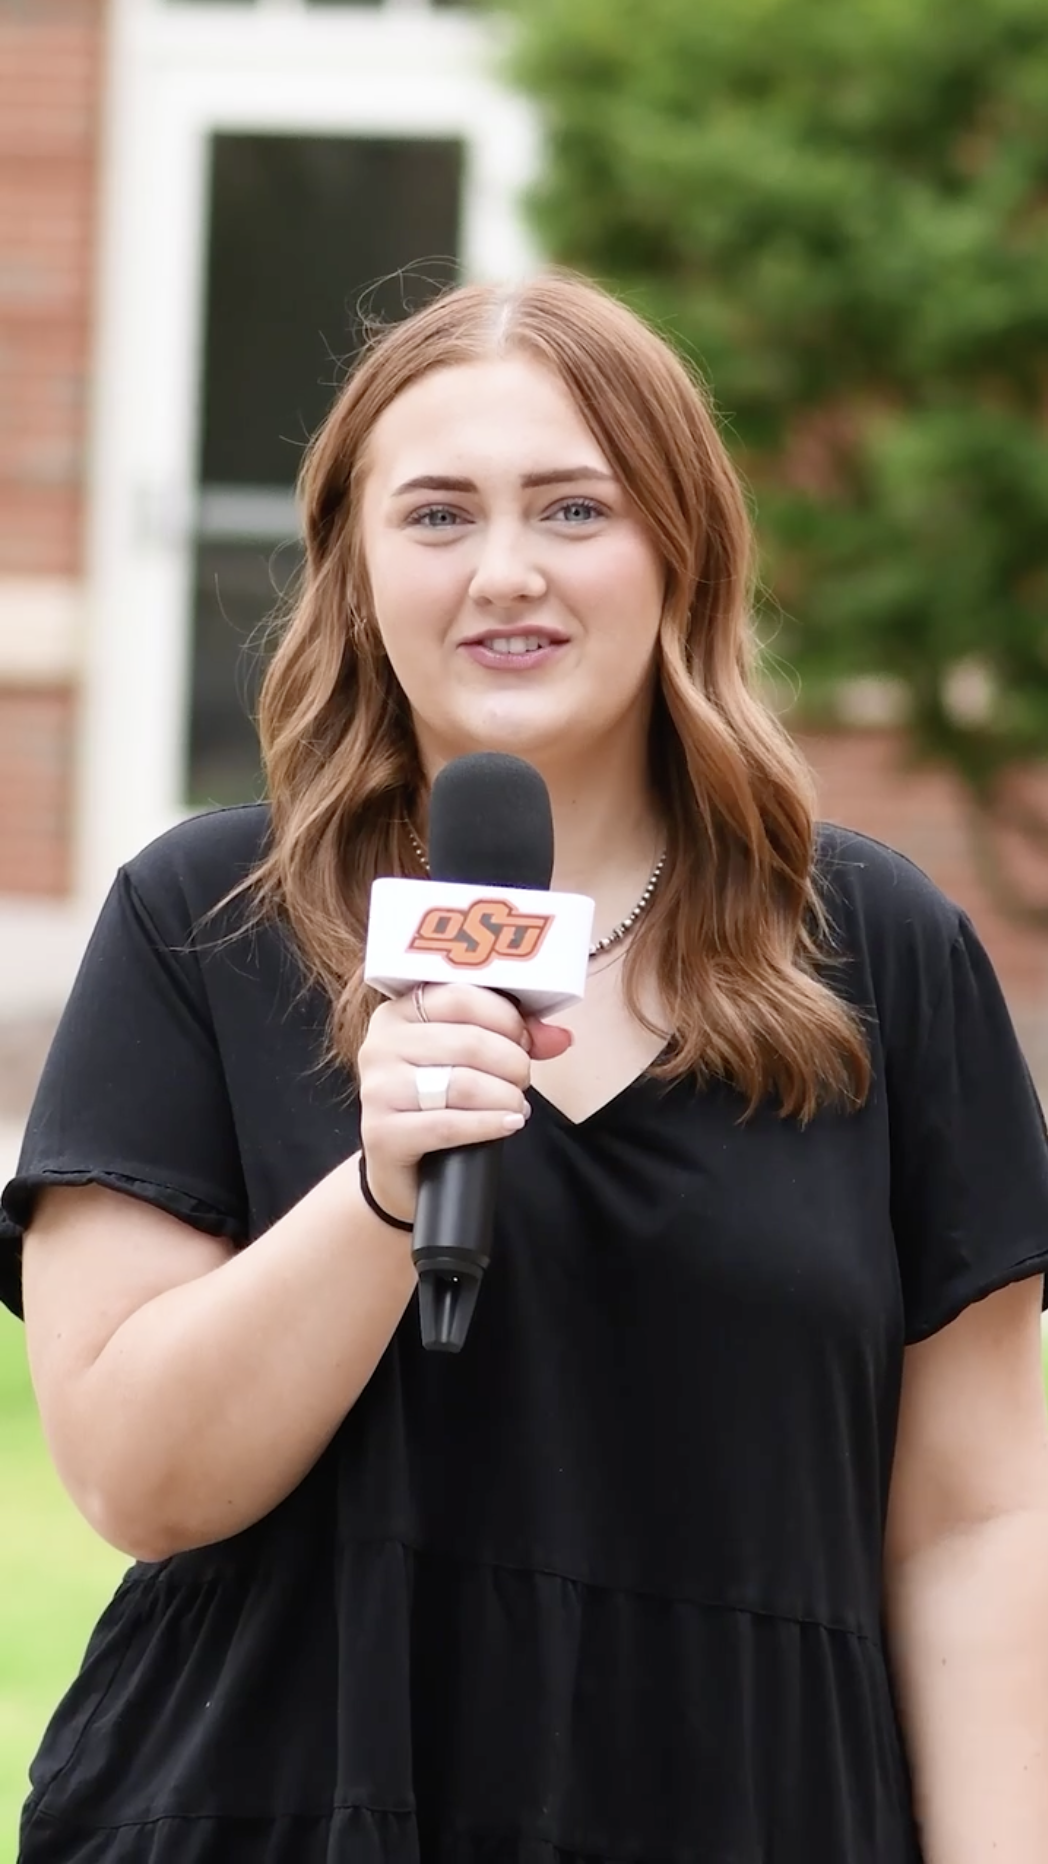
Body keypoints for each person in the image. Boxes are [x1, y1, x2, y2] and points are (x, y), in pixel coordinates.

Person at [2, 270, 1048, 1864]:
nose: (506, 572)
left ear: (679, 550)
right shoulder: (201, 924)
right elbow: (137, 1481)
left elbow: (974, 1524)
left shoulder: (876, 956)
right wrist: (380, 1189)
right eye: (436, 516)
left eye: (574, 508)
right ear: (355, 568)